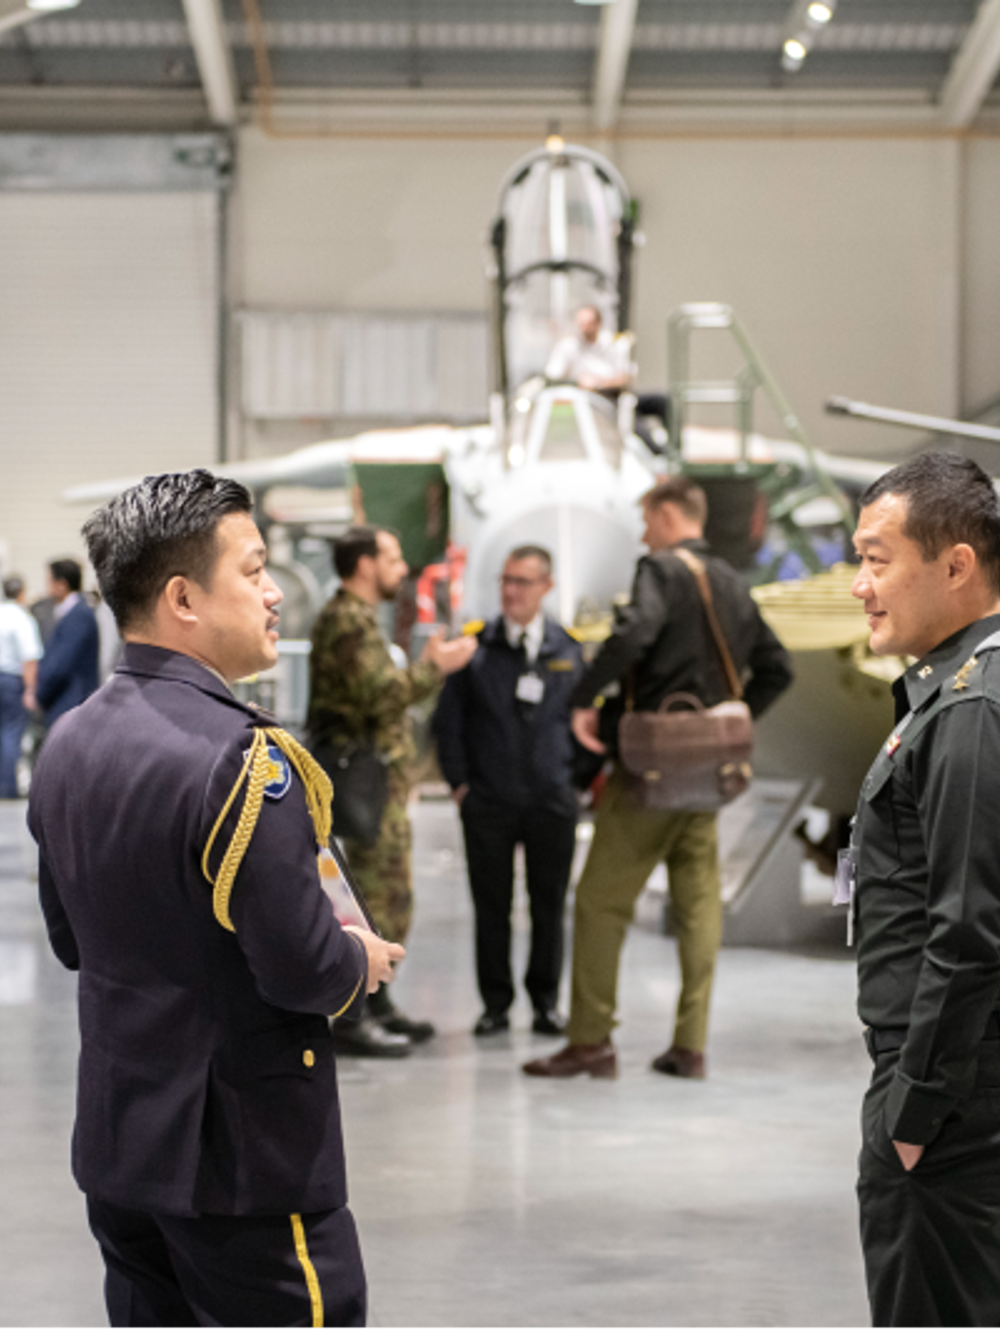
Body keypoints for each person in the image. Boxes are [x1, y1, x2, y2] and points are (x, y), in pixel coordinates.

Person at [29, 470, 404, 1327]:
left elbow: (70, 937)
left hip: (124, 1144)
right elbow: (306, 970)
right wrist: (360, 960)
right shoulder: (243, 764)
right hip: (242, 1161)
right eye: (254, 570)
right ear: (182, 599)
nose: (275, 595)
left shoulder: (71, 741)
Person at [523, 476, 792, 1082]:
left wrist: (585, 697)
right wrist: (732, 716)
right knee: (699, 907)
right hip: (709, 775)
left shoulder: (659, 570)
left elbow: (636, 631)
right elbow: (778, 667)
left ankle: (590, 1040)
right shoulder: (732, 582)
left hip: (650, 770)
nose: (644, 533)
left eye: (648, 520)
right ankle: (689, 1045)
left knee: (598, 902)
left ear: (669, 515)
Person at [847, 453, 1000, 1328]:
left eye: (878, 560)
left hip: (951, 1102)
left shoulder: (972, 708)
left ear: (956, 566)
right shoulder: (954, 687)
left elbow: (970, 929)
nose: (861, 585)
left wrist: (914, 1111)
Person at [308, 525, 477, 1057]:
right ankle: (351, 1015)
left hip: (380, 782)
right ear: (364, 565)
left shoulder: (360, 620)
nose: (401, 568)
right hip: (363, 785)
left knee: (391, 897)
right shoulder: (345, 622)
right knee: (371, 900)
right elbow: (376, 697)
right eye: (392, 557)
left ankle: (377, 1002)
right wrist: (435, 668)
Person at [432, 545, 583, 1037]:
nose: (512, 591)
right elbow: (447, 723)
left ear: (546, 587)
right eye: (506, 581)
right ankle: (495, 1004)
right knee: (491, 906)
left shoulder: (569, 650)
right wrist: (460, 786)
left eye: (523, 582)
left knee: (549, 905)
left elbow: (586, 724)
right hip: (489, 802)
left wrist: (573, 781)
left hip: (550, 800)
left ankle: (545, 1003)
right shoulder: (477, 649)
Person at [34, 557, 99, 729]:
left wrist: (39, 695)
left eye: (49, 581)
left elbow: (60, 663)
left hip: (69, 701)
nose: (47, 587)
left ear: (61, 584)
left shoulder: (79, 615)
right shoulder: (74, 612)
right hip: (65, 700)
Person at [0, 576, 43, 798]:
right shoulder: (22, 619)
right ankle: (6, 788)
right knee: (11, 733)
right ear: (22, 593)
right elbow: (29, 658)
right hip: (11, 680)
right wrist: (30, 689)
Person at [545, 304, 634, 394]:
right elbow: (552, 376)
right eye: (582, 323)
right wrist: (576, 383)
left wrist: (598, 383)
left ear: (598, 323)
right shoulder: (567, 346)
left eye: (589, 323)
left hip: (609, 398)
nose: (585, 328)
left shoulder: (615, 344)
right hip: (576, 398)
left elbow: (625, 378)